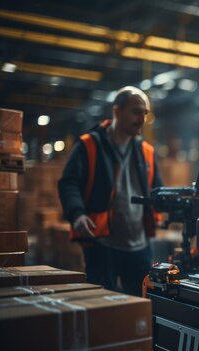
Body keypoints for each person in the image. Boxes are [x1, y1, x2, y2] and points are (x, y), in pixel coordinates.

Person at [58, 86, 162, 296]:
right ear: (117, 112)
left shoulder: (146, 151)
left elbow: (158, 190)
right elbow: (69, 182)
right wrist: (77, 215)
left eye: (145, 113)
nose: (142, 118)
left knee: (142, 308)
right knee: (103, 308)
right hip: (102, 245)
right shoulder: (89, 145)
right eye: (136, 111)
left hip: (139, 247)